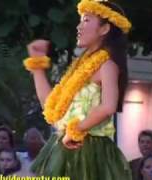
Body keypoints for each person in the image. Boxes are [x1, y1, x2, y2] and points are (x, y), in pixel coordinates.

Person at [23, 0, 132, 179]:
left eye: (86, 20)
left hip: (88, 150)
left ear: (104, 29)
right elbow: (50, 107)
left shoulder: (107, 65)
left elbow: (108, 107)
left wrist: (76, 130)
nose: (79, 26)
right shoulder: (79, 67)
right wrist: (37, 67)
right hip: (63, 145)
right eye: (81, 20)